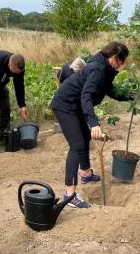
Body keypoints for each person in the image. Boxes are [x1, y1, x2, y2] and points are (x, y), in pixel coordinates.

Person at [51, 42, 131, 208]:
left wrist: (130, 95)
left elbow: (110, 90)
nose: (123, 65)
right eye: (122, 61)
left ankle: (86, 173)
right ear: (114, 58)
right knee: (77, 145)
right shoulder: (98, 70)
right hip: (65, 105)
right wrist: (94, 123)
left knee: (84, 138)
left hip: (76, 106)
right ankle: (69, 194)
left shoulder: (105, 69)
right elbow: (86, 96)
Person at [0, 51, 29, 145]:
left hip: (0, 85)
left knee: (5, 107)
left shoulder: (19, 67)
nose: (17, 74)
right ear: (10, 65)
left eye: (19, 72)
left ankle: (1, 136)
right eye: (16, 72)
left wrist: (22, 105)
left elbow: (19, 86)